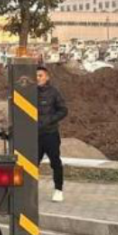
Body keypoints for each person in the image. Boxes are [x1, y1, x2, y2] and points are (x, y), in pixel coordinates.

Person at [36, 66, 69, 202]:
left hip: (50, 134)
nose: (38, 78)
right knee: (31, 164)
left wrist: (50, 120)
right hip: (34, 136)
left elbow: (63, 110)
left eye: (40, 75)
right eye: (36, 76)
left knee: (55, 162)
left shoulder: (54, 92)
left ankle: (58, 190)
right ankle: (29, 190)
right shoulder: (29, 93)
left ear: (47, 77)